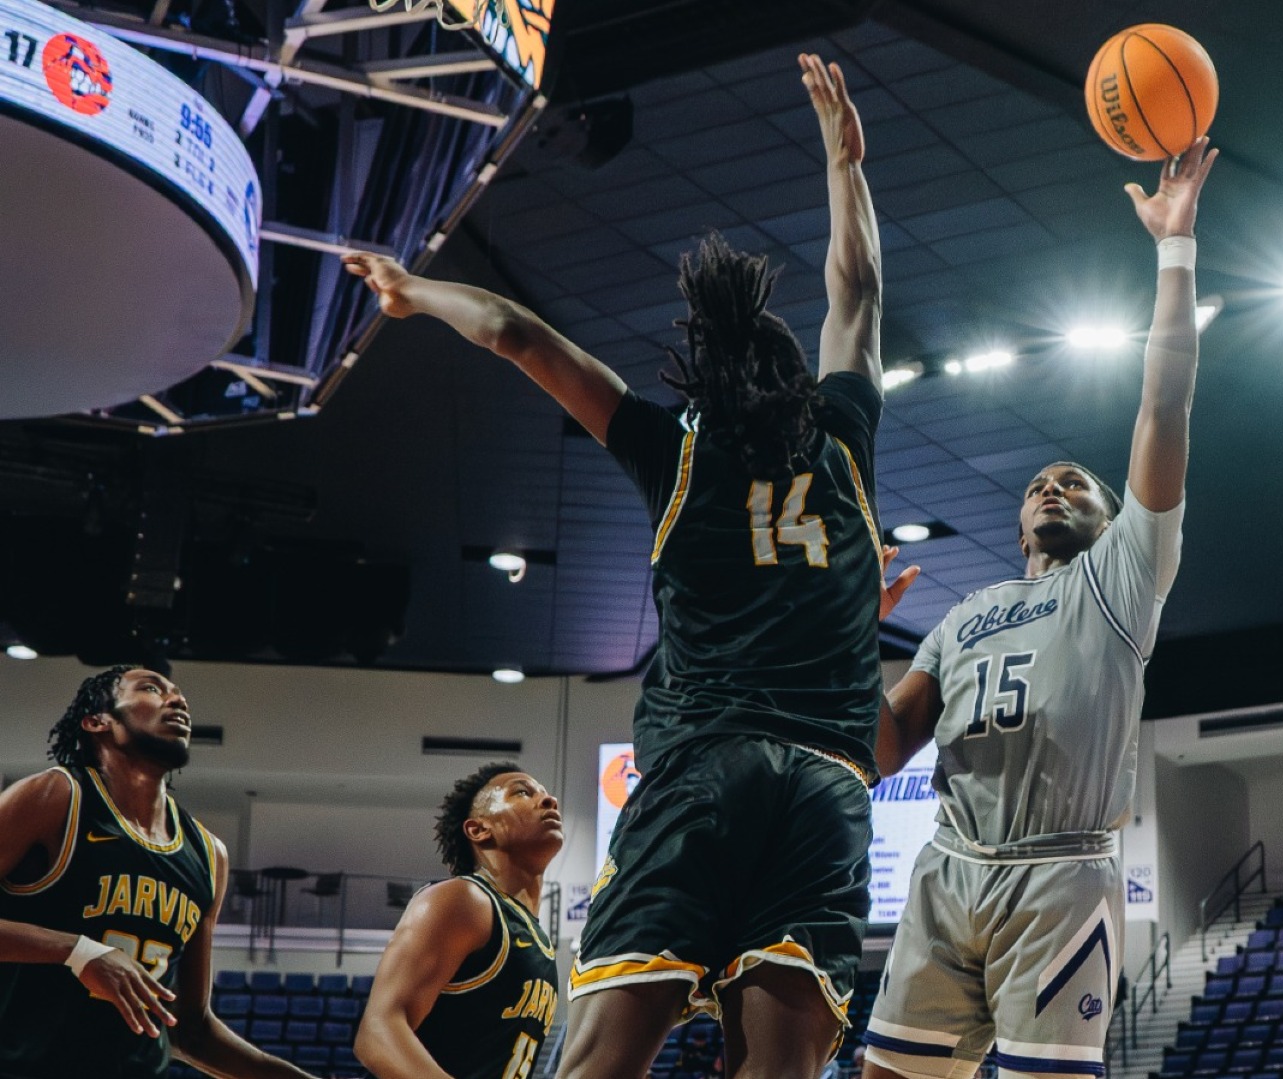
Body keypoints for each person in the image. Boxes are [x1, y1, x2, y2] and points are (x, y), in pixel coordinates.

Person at [344, 52, 911, 1079]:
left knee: (601, 1061)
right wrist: (844, 164)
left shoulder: (675, 446)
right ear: (797, 379)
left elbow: (516, 332)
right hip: (826, 787)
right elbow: (858, 288)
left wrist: (414, 291)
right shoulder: (843, 436)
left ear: (707, 379)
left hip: (705, 769)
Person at [862, 137, 1218, 1079]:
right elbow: (881, 749)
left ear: (1113, 518)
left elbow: (1164, 404)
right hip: (946, 866)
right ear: (1019, 520)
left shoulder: (1120, 576)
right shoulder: (964, 611)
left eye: (1078, 483)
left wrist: (1172, 251)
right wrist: (844, 630)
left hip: (1060, 873)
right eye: (1038, 483)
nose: (1055, 487)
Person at [0, 665, 317, 1079]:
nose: (178, 700)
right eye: (152, 689)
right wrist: (77, 951)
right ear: (98, 722)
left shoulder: (207, 853)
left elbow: (191, 1031)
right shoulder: (57, 797)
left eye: (180, 694)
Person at [356, 763, 564, 1079]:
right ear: (479, 829)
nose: (550, 801)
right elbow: (377, 1032)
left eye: (548, 795)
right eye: (523, 792)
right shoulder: (465, 899)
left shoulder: (536, 937)